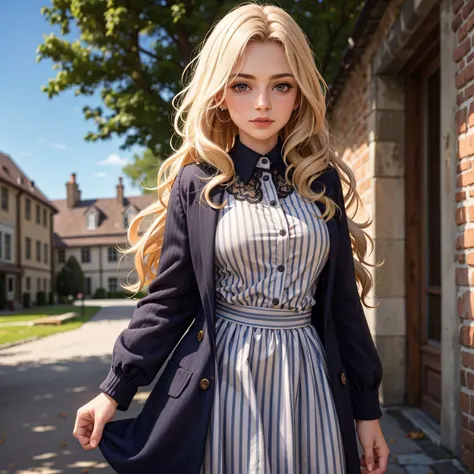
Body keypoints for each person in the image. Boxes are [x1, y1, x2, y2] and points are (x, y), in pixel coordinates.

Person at [73, 3, 389, 473]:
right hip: (226, 383)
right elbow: (169, 301)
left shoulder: (321, 182)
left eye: (280, 85)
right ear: (220, 92)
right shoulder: (197, 184)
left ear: (299, 94)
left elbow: (343, 303)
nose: (262, 103)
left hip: (309, 382)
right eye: (243, 85)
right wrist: (113, 391)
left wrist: (367, 411)